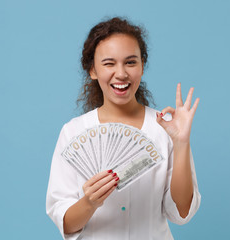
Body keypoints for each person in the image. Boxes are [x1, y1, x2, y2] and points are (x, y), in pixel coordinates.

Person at [46, 17, 201, 240]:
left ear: (142, 66)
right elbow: (66, 223)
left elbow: (182, 213)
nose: (121, 74)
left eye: (130, 62)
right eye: (109, 63)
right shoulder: (73, 132)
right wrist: (89, 202)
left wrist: (181, 142)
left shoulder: (165, 128)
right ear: (92, 70)